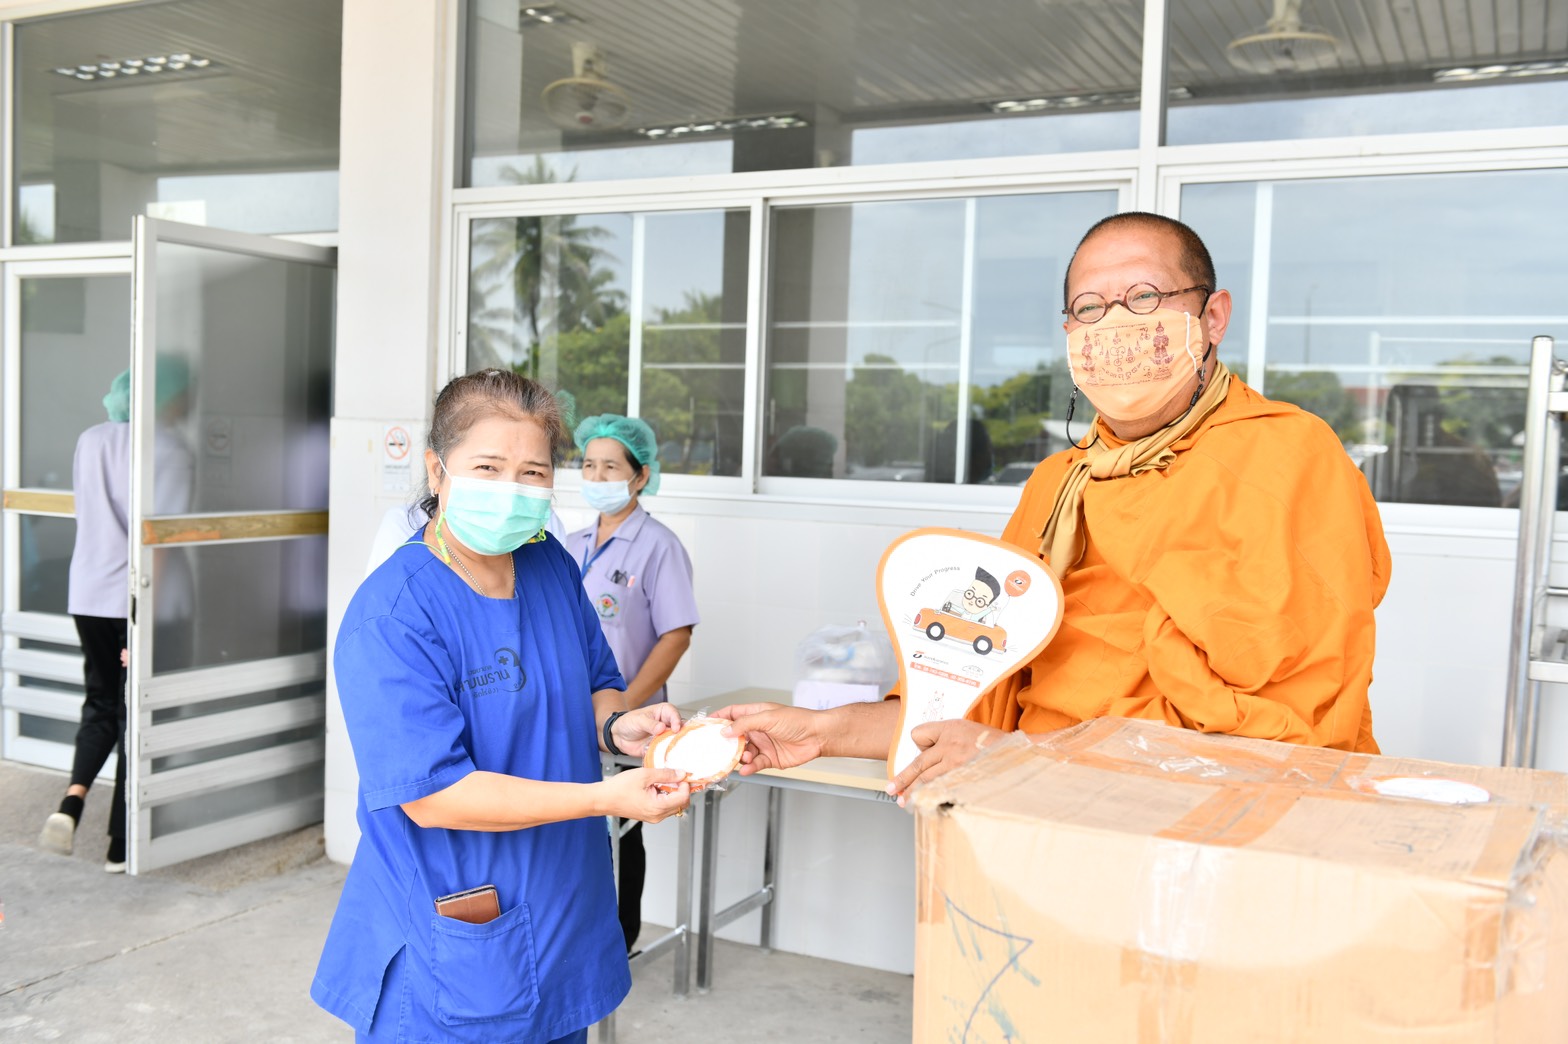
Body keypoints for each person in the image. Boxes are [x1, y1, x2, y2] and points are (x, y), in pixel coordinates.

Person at [718, 212, 1391, 797]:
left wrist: (1024, 759)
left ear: (1212, 316)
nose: (1115, 324)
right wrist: (820, 730)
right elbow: (977, 692)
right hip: (1032, 809)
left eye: (1145, 297)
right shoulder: (1058, 484)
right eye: (1089, 308)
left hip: (1196, 834)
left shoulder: (1282, 459)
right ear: (1069, 330)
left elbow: (1286, 734)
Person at [311, 369, 692, 1044]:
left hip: (563, 908)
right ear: (438, 469)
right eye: (488, 467)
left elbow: (594, 683)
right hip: (457, 933)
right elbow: (435, 795)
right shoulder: (394, 615)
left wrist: (618, 725)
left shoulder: (548, 564)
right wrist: (605, 798)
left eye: (533, 473)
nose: (513, 490)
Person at [38, 359, 193, 873]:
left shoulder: (91, 440)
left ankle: (72, 802)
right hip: (139, 600)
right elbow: (159, 543)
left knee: (103, 702)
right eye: (185, 390)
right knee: (141, 713)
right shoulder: (169, 449)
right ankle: (122, 843)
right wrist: (144, 616)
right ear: (164, 396)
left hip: (88, 594)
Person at [567, 414, 699, 954]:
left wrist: (626, 707)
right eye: (588, 465)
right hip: (573, 717)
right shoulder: (568, 543)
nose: (597, 476)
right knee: (576, 823)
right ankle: (578, 937)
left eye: (610, 467)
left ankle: (620, 942)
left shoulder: (658, 546)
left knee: (624, 828)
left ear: (640, 476)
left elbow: (676, 635)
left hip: (628, 722)